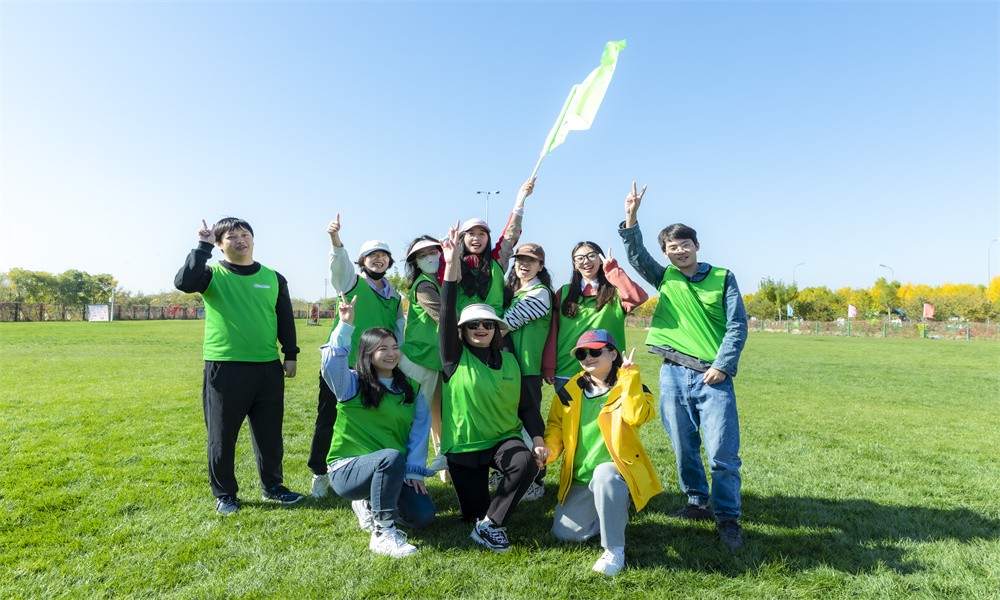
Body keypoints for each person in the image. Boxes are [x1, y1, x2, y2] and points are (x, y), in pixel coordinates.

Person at [618, 181, 749, 550]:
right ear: (666, 253)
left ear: (696, 245)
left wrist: (722, 365)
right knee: (683, 446)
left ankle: (728, 518)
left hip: (712, 376)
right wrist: (631, 218)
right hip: (672, 373)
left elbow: (738, 325)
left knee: (722, 454)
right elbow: (637, 257)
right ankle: (697, 503)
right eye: (671, 248)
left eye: (684, 244)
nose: (679, 251)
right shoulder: (666, 277)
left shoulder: (723, 277)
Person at [175, 217, 303, 515]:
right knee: (222, 435)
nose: (240, 240)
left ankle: (273, 487)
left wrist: (291, 353)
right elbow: (184, 282)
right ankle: (225, 494)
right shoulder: (211, 274)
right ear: (220, 244)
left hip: (267, 367)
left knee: (270, 435)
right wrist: (202, 247)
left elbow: (284, 317)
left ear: (253, 240)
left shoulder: (274, 277)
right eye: (231, 237)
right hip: (225, 367)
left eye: (245, 234)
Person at [438, 222, 548, 552]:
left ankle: (491, 526)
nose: (481, 328)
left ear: (497, 328)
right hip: (465, 448)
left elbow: (527, 407)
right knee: (472, 513)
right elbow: (447, 310)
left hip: (502, 440)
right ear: (462, 330)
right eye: (473, 324)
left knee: (525, 462)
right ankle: (483, 519)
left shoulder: (510, 360)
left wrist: (538, 440)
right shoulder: (453, 357)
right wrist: (452, 263)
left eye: (488, 323)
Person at [321, 294, 435, 557]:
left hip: (394, 470)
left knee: (423, 516)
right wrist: (345, 325)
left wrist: (415, 471)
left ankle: (372, 503)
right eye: (383, 349)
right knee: (390, 457)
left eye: (394, 347)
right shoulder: (351, 383)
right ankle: (383, 532)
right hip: (348, 471)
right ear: (368, 353)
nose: (391, 354)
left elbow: (419, 432)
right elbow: (330, 363)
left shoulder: (411, 388)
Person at [544, 330, 663, 576]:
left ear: (613, 354)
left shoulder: (632, 385)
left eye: (596, 351)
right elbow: (555, 426)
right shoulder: (568, 390)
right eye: (582, 354)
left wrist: (630, 377)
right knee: (565, 534)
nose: (588, 357)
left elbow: (637, 416)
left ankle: (614, 550)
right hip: (581, 477)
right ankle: (610, 511)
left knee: (605, 475)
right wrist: (549, 451)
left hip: (615, 473)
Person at [308, 214, 405, 498]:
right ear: (362, 261)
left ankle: (365, 471)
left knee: (368, 420)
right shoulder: (351, 282)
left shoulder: (395, 297)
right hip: (343, 364)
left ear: (389, 261)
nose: (378, 259)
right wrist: (335, 239)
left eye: (383, 255)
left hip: (375, 368)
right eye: (372, 256)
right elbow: (339, 265)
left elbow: (399, 332)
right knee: (328, 419)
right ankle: (320, 473)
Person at [541, 242, 648, 390]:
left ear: (600, 259)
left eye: (591, 255)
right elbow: (553, 331)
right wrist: (548, 366)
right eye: (579, 258)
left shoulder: (616, 292)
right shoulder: (564, 292)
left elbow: (638, 297)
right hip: (568, 371)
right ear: (574, 264)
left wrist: (613, 270)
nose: (586, 261)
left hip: (608, 373)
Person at [500, 242, 554, 501]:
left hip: (526, 369)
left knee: (529, 425)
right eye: (520, 259)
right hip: (510, 368)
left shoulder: (540, 293)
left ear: (540, 266)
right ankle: (513, 474)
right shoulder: (516, 291)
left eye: (530, 260)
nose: (523, 264)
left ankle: (535, 479)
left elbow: (506, 323)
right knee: (510, 423)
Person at [399, 235, 450, 482]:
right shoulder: (424, 286)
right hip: (419, 362)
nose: (430, 258)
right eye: (422, 255)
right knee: (416, 419)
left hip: (435, 361)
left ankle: (445, 471)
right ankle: (408, 472)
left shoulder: (435, 282)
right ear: (415, 262)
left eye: (433, 252)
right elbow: (443, 317)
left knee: (439, 416)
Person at [454, 178, 535, 316]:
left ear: (488, 238)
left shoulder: (497, 260)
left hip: (493, 324)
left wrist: (520, 202)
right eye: (471, 233)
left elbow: (510, 235)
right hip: (462, 326)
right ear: (462, 238)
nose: (476, 238)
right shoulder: (453, 264)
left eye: (482, 234)